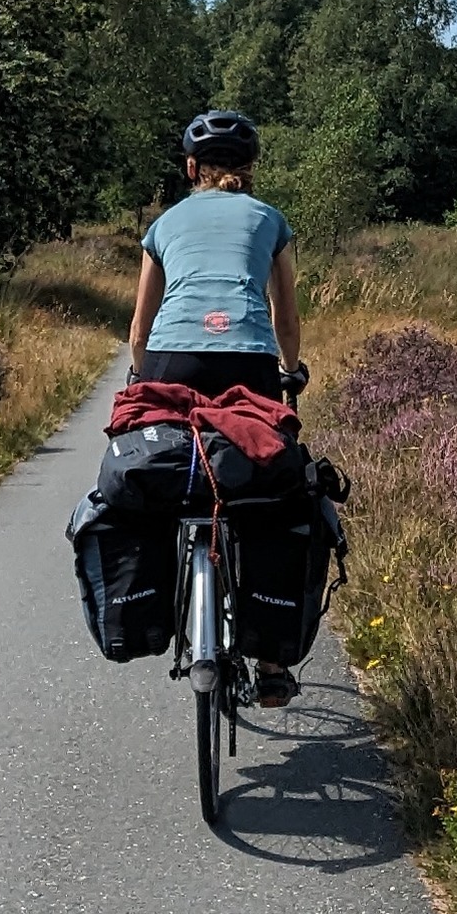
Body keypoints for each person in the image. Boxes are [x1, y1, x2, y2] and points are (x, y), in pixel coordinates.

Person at [124, 109, 310, 702]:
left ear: (190, 168)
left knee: (165, 472)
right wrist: (288, 370)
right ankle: (274, 662)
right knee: (265, 492)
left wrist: (138, 379)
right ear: (250, 171)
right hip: (249, 362)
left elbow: (140, 326)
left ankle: (161, 601)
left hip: (171, 360)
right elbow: (285, 315)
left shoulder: (164, 224)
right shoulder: (270, 220)